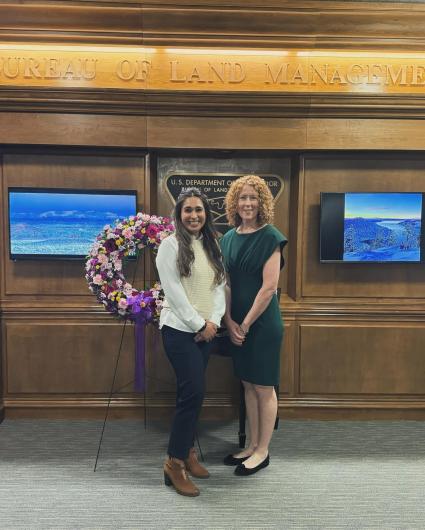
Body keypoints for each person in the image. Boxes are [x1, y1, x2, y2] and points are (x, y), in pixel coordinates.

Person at [156, 187, 226, 497]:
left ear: (206, 214)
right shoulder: (169, 246)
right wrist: (199, 324)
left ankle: (186, 453)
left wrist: (214, 322)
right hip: (178, 330)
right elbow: (173, 293)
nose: (194, 215)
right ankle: (174, 463)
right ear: (179, 214)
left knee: (195, 395)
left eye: (199, 210)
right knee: (192, 392)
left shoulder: (213, 245)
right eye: (188, 210)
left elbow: (220, 288)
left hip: (206, 331)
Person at [220, 175, 287, 476]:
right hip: (237, 323)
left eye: (253, 198)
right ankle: (251, 446)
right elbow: (226, 284)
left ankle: (263, 450)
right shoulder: (228, 238)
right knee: (248, 384)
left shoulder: (272, 236)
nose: (247, 203)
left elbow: (269, 288)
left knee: (264, 387)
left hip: (262, 325)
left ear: (262, 203)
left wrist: (244, 325)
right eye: (242, 198)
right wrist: (229, 320)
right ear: (234, 202)